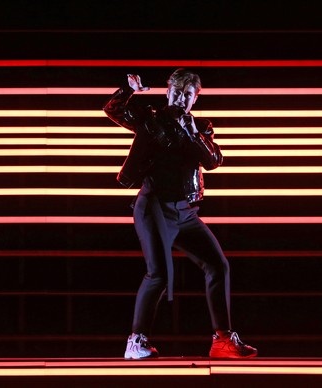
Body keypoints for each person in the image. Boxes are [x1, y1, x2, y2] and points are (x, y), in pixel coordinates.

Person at [103, 68, 257, 359]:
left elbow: (213, 161)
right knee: (159, 274)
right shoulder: (151, 119)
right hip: (154, 206)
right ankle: (135, 341)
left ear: (195, 98)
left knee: (218, 265)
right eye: (176, 91)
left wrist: (192, 133)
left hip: (184, 211)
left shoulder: (199, 127)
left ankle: (222, 339)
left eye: (188, 94)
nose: (181, 98)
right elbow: (113, 110)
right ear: (167, 91)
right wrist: (128, 89)